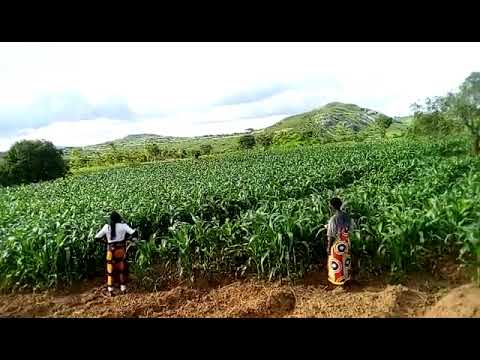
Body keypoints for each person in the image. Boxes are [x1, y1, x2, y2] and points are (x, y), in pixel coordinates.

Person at [95, 211, 137, 296]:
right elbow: (134, 233)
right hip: (121, 250)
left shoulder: (107, 227)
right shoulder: (123, 226)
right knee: (122, 270)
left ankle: (110, 290)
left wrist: (106, 242)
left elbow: (97, 237)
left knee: (110, 271)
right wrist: (127, 240)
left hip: (110, 250)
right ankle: (123, 289)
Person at [325, 197, 354, 286]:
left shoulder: (333, 219)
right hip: (346, 242)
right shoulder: (347, 216)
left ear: (332, 207)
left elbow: (330, 235)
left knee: (335, 263)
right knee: (345, 261)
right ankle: (346, 280)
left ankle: (338, 283)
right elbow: (351, 229)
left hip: (337, 244)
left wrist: (329, 247)